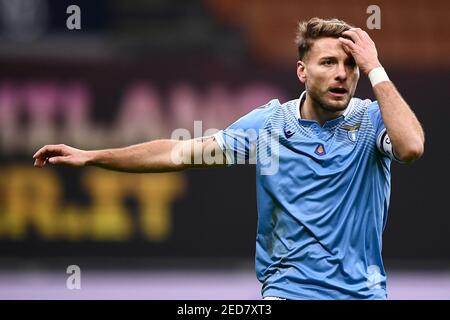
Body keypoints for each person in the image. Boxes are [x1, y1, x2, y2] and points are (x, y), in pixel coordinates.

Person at [33, 17, 425, 299]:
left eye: (350, 65)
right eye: (329, 63)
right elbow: (177, 152)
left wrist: (376, 68)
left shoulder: (372, 120)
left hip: (364, 294)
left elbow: (411, 147)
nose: (342, 74)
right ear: (302, 71)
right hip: (289, 292)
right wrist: (92, 155)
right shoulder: (269, 126)